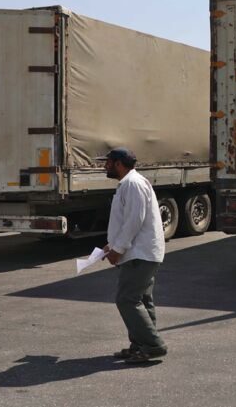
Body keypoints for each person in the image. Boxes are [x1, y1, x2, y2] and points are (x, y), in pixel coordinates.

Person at [98, 147, 169, 364]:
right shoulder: (129, 183)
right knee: (142, 300)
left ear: (119, 163)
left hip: (140, 253)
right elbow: (126, 221)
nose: (105, 166)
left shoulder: (133, 183)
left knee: (127, 300)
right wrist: (112, 245)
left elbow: (134, 221)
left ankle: (153, 345)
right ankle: (141, 345)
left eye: (108, 162)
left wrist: (118, 249)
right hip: (141, 252)